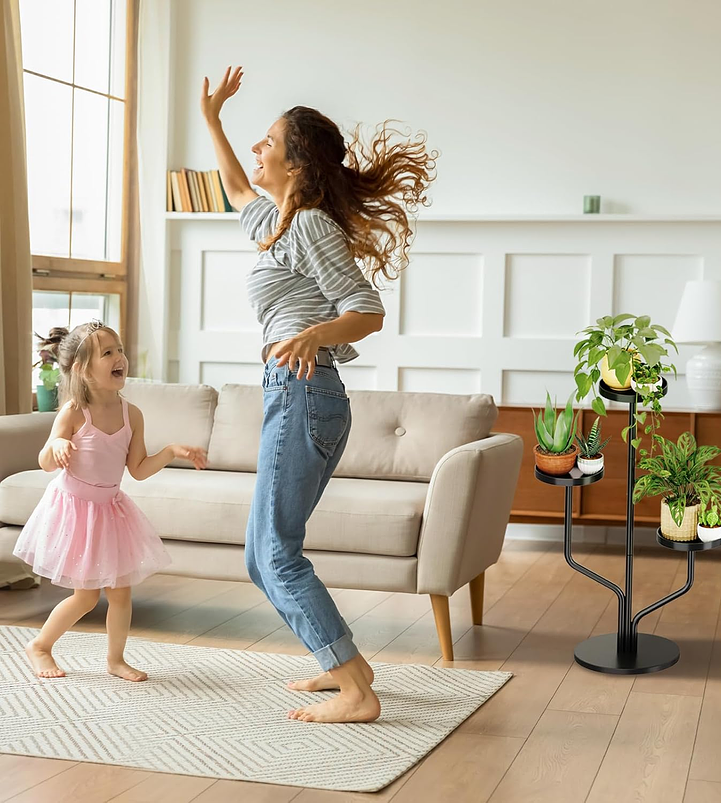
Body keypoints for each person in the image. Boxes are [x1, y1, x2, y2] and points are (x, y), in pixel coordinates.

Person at [201, 66, 437, 723]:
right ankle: (350, 668)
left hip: (305, 391)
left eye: (268, 140)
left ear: (297, 163)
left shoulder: (308, 227)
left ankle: (358, 694)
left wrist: (314, 333)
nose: (258, 149)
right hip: (294, 392)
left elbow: (366, 309)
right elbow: (231, 186)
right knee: (260, 555)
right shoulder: (278, 225)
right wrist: (211, 118)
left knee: (275, 552)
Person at [14, 321, 208, 682]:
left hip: (110, 510)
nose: (120, 357)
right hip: (74, 510)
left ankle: (115, 659)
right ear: (82, 369)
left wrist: (169, 452)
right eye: (108, 353)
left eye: (119, 349)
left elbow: (137, 469)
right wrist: (56, 446)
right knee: (86, 597)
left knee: (121, 593)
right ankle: (39, 645)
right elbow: (44, 461)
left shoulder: (131, 414)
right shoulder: (74, 411)